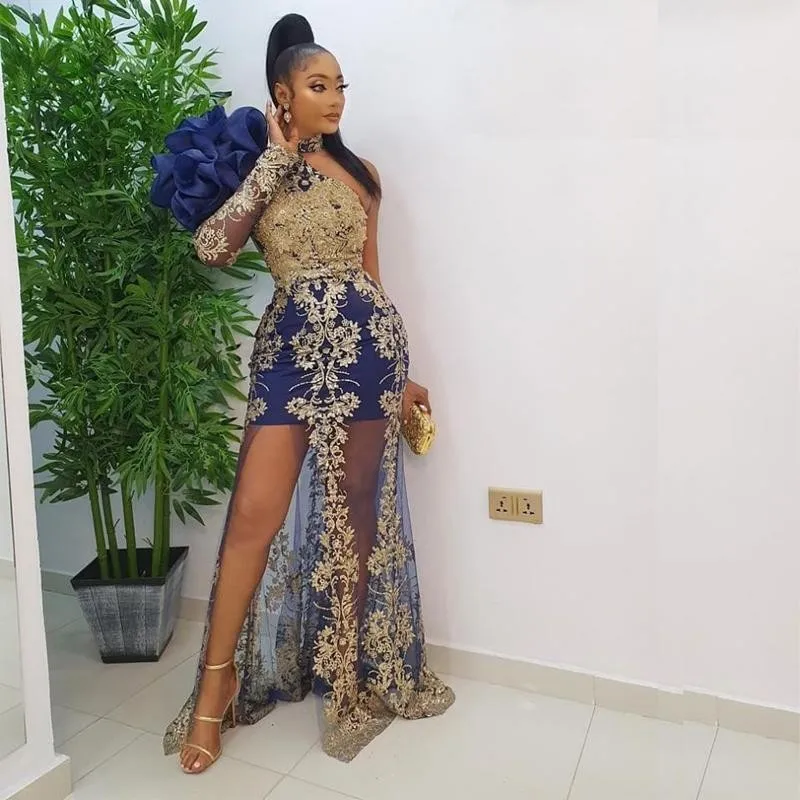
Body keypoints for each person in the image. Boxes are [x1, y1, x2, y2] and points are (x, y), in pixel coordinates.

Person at [162, 13, 454, 773]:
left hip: (368, 348)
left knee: (354, 521)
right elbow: (211, 249)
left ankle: (347, 680)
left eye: (340, 86)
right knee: (251, 520)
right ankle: (214, 692)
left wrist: (404, 372)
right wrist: (270, 163)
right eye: (319, 86)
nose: (336, 99)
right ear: (282, 95)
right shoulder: (250, 164)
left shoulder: (363, 174)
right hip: (291, 352)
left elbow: (373, 273)